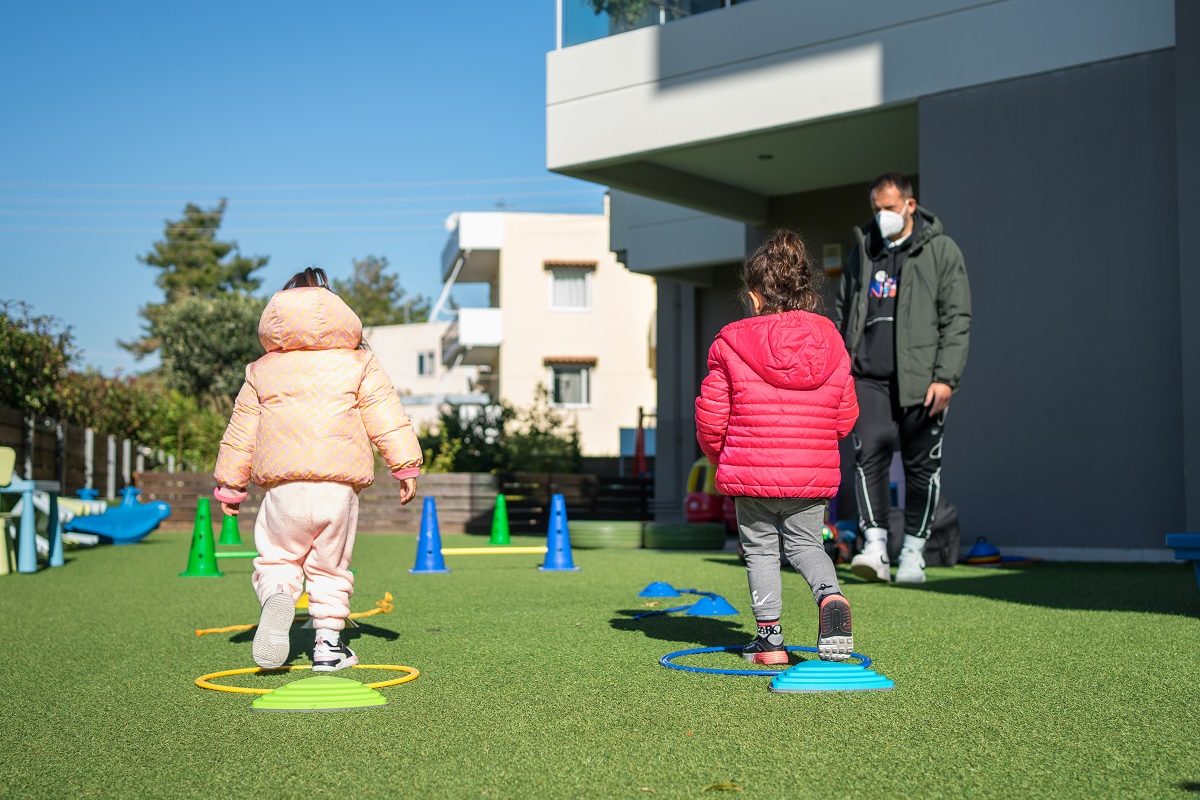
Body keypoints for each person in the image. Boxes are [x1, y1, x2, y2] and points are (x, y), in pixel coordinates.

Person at [213, 267, 422, 672]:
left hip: (283, 490)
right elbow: (386, 415)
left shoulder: (262, 370)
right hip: (336, 488)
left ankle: (278, 594)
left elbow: (241, 430)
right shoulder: (358, 363)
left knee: (277, 560)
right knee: (329, 567)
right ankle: (327, 646)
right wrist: (405, 465)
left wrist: (230, 486)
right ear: (335, 307)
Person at [695, 231, 859, 664]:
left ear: (753, 297)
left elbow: (712, 418)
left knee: (761, 550)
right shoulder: (834, 344)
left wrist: (720, 458)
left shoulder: (730, 343)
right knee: (808, 546)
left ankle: (769, 641)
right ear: (806, 292)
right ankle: (830, 596)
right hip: (810, 476)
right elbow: (846, 417)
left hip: (752, 474)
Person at [833, 173, 971, 585]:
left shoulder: (941, 251)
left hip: (923, 380)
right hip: (868, 378)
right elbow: (844, 310)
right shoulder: (864, 250)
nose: (882, 217)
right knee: (867, 457)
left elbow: (957, 318)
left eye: (889, 208)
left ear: (910, 206)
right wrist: (843, 363)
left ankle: (914, 551)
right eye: (876, 209)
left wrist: (946, 376)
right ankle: (874, 547)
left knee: (921, 468)